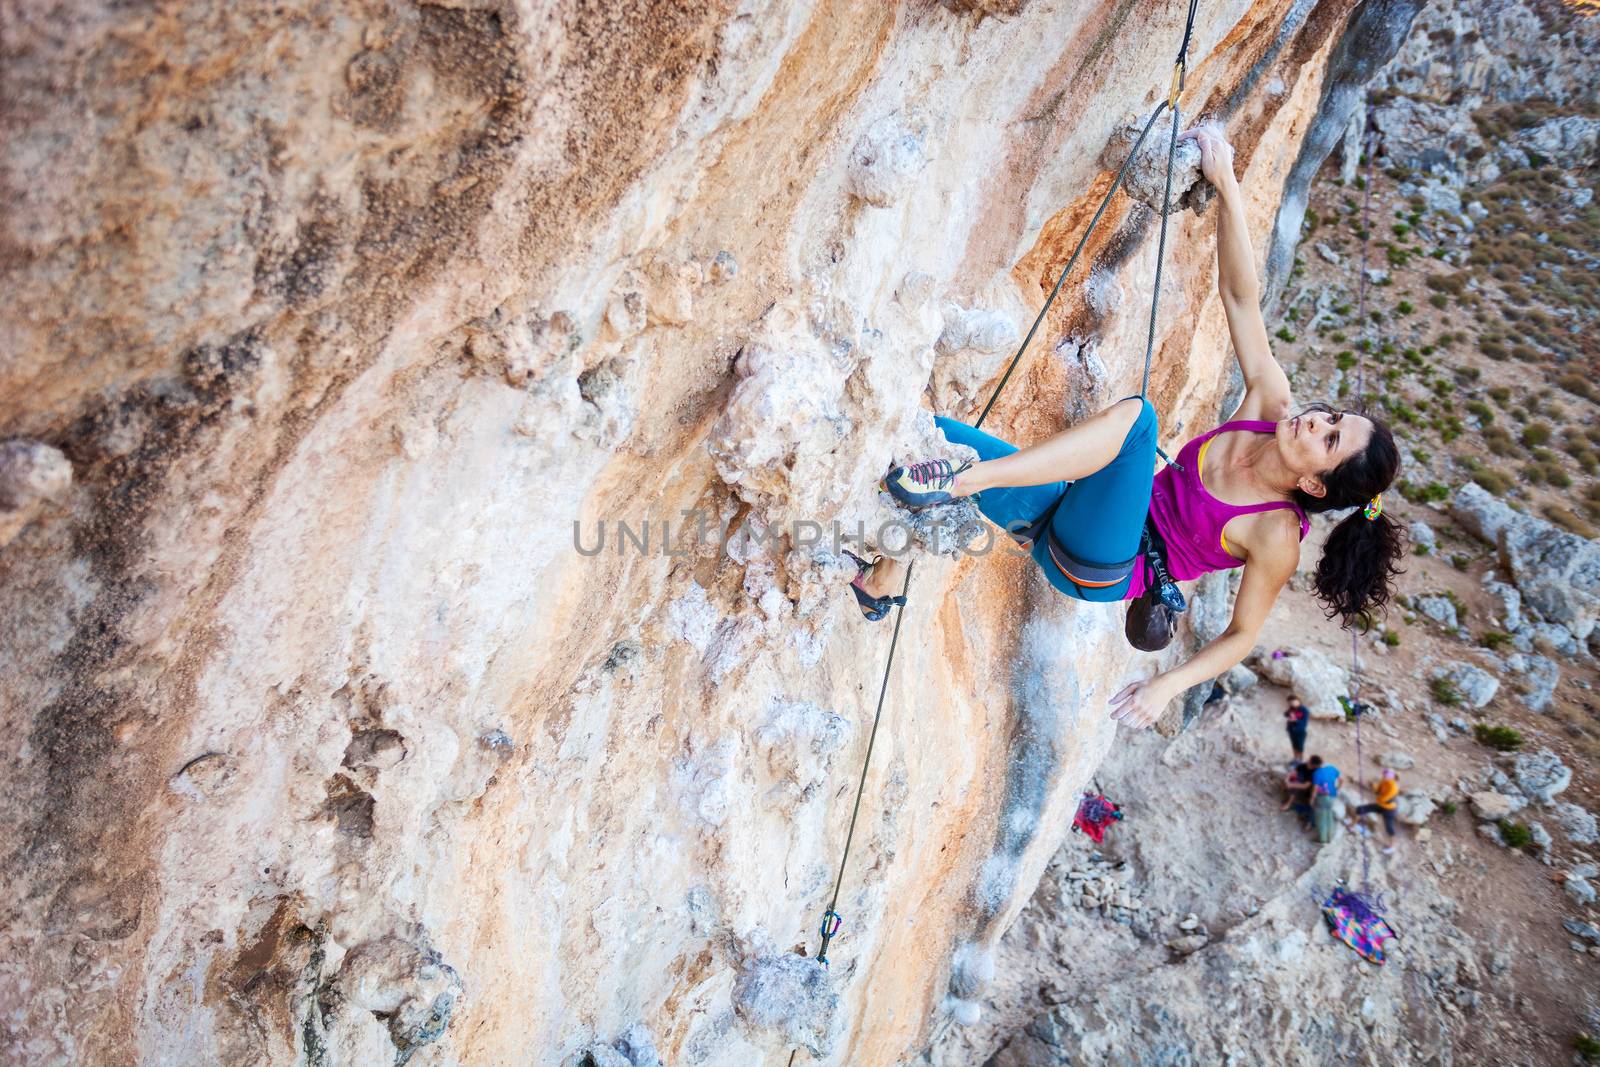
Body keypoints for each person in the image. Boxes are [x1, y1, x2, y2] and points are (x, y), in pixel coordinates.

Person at [853, 124, 1404, 730]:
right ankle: (882, 580)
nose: (1314, 422)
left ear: (1319, 487)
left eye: (1329, 439)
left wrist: (1168, 686)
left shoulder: (1276, 535)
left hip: (1101, 567)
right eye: (1331, 417)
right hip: (1064, 513)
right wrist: (1227, 183)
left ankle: (959, 482)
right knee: (927, 432)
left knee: (1139, 421)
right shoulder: (1269, 405)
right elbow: (1241, 299)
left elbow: (1243, 633)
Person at [1354, 769, 1401, 854]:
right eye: (1384, 776)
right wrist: (1373, 786)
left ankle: (1393, 846)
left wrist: (1377, 794)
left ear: (1392, 778)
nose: (1384, 777)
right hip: (1381, 805)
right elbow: (1378, 791)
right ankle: (1354, 824)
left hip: (1389, 809)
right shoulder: (1384, 781)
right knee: (1360, 809)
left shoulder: (1394, 787)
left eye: (1386, 777)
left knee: (1389, 827)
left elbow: (1384, 798)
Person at [1308, 755, 1340, 845]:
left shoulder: (1317, 773)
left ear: (1314, 765)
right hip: (1332, 796)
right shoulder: (1332, 768)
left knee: (1321, 819)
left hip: (1322, 798)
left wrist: (1311, 799)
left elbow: (1315, 788)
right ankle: (1330, 837)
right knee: (1329, 816)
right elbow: (1341, 780)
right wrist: (1337, 788)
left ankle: (1322, 839)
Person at [1282, 760, 1314, 829]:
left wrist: (1292, 785)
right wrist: (1287, 779)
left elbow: (1305, 786)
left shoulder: (1313, 773)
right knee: (1293, 783)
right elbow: (1293, 773)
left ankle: (1289, 803)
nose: (1307, 763)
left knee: (1295, 789)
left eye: (1309, 763)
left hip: (1308, 790)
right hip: (1300, 782)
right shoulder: (1303, 765)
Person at [1284, 694, 1309, 761]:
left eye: (1293, 702)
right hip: (1291, 731)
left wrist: (1295, 720)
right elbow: (1285, 714)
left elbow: (1304, 723)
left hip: (1300, 732)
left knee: (1300, 747)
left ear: (1298, 701)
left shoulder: (1304, 710)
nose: (1292, 704)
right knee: (1294, 746)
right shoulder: (1291, 708)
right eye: (1290, 703)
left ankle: (1300, 760)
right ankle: (1295, 759)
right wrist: (1289, 713)